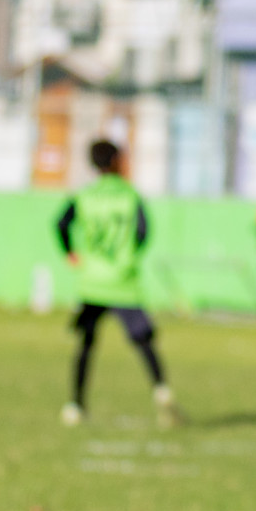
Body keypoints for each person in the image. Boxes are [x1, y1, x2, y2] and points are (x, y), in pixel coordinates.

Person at [55, 139, 178, 428]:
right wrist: (128, 255)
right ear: (116, 162)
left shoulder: (84, 196)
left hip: (92, 282)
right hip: (123, 281)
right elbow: (143, 231)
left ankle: (76, 404)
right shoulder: (130, 196)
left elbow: (60, 223)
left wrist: (70, 252)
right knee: (144, 341)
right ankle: (161, 390)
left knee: (85, 344)